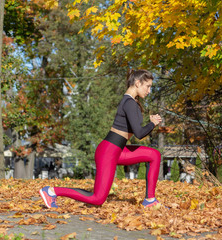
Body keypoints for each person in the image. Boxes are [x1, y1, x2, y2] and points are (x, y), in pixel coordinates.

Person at [39, 69, 162, 208]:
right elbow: (139, 134)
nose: (149, 91)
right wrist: (152, 124)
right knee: (97, 199)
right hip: (108, 151)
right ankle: (51, 191)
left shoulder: (131, 102)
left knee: (154, 155)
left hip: (118, 150)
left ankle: (150, 200)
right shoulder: (129, 103)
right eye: (148, 86)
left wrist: (151, 123)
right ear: (138, 83)